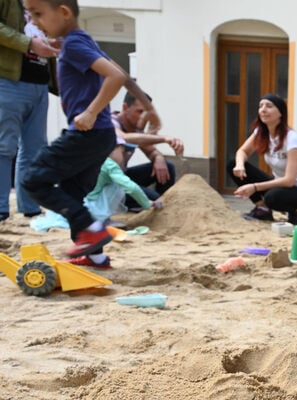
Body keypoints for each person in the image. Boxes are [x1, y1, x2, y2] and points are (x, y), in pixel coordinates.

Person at [21, 0, 162, 265]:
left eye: (38, 14)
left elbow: (115, 77)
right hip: (102, 136)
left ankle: (92, 230)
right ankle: (95, 257)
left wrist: (91, 111)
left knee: (33, 180)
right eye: (30, 15)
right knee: (72, 192)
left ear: (63, 12)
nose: (34, 22)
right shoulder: (80, 40)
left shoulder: (74, 44)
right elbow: (121, 72)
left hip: (87, 133)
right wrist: (148, 106)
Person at [0, 0, 58, 222]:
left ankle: (30, 205)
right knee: (4, 146)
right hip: (8, 80)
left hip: (40, 83)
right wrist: (28, 44)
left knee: (34, 148)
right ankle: (1, 207)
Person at [229, 93, 297, 225]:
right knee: (232, 164)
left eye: (269, 106)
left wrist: (254, 187)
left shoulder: (291, 138)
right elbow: (242, 151)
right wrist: (239, 165)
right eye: (261, 106)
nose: (263, 110)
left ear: (280, 113)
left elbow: (289, 181)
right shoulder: (261, 132)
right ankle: (262, 209)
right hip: (280, 185)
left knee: (272, 197)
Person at [112, 90, 183, 205]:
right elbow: (124, 138)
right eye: (139, 112)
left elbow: (151, 151)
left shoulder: (136, 127)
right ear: (125, 108)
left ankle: (163, 207)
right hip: (107, 185)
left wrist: (158, 158)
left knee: (167, 166)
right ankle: (158, 206)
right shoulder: (110, 123)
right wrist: (164, 139)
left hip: (122, 177)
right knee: (155, 198)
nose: (143, 118)